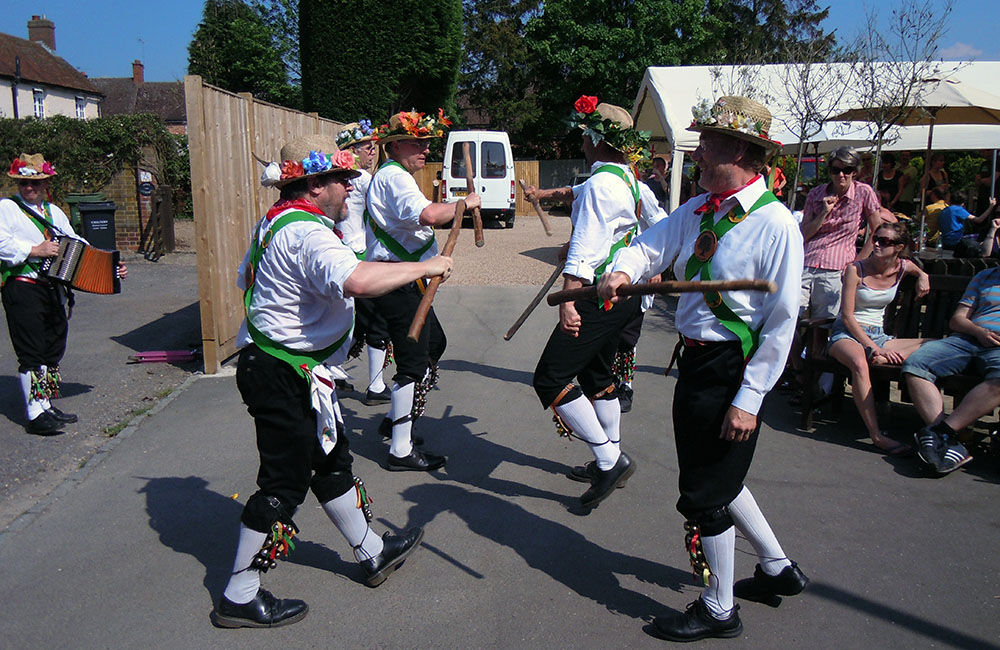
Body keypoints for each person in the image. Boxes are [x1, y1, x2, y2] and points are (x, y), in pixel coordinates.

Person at [214, 134, 454, 629]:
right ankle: (238, 594)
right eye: (342, 178)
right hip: (281, 371)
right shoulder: (308, 232)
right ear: (315, 185)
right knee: (282, 484)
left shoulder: (274, 222)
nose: (350, 187)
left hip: (293, 369)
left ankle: (371, 550)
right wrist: (428, 266)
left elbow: (246, 279)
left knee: (329, 459)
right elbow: (358, 281)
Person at [599, 95, 807, 641]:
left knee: (705, 490)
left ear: (738, 150)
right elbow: (650, 245)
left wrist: (749, 399)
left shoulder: (776, 224)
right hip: (694, 362)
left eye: (706, 143)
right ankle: (777, 568)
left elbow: (782, 322)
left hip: (733, 367)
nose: (696, 153)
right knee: (720, 475)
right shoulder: (698, 209)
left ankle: (719, 609)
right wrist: (621, 271)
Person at [532, 96, 653, 510]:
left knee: (550, 379)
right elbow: (653, 223)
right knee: (598, 376)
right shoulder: (627, 180)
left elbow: (585, 246)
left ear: (597, 139)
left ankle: (609, 461)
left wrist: (568, 299)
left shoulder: (602, 185)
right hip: (623, 296)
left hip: (596, 297)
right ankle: (610, 456)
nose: (581, 140)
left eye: (585, 134)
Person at [365, 109, 479, 471]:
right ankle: (400, 448)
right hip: (399, 282)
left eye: (427, 143)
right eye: (418, 143)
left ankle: (396, 420)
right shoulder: (394, 178)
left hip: (406, 280)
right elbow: (428, 216)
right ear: (396, 145)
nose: (426, 150)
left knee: (433, 345)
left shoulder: (394, 176)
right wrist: (464, 204)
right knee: (413, 362)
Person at [1, 153, 127, 435]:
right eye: (23, 183)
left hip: (53, 289)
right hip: (23, 286)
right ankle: (35, 413)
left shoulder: (54, 212)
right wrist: (35, 250)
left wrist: (111, 268)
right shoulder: (7, 209)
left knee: (53, 350)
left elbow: (78, 244)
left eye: (35, 183)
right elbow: (1, 243)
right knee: (32, 351)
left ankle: (45, 403)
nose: (29, 187)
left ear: (46, 184)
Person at [827, 222, 930, 455]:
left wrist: (923, 275)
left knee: (932, 344)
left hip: (879, 335)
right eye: (875, 239)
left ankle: (882, 358)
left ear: (898, 247)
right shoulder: (856, 269)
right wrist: (872, 347)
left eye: (884, 241)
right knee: (860, 364)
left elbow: (914, 267)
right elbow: (847, 316)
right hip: (849, 333)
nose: (876, 244)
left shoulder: (902, 267)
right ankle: (876, 435)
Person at [903, 266, 1000, 475]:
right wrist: (979, 331)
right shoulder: (985, 276)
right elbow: (958, 319)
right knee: (916, 363)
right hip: (966, 340)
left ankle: (941, 433)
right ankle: (948, 440)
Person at [337, 120, 393, 405]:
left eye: (373, 147)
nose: (373, 152)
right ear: (351, 150)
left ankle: (333, 373)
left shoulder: (338, 179)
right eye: (367, 147)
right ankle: (376, 386)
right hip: (359, 256)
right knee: (376, 321)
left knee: (348, 321)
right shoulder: (361, 178)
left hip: (342, 253)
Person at [799, 146, 882, 321]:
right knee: (791, 318)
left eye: (847, 170)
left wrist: (857, 264)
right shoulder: (816, 193)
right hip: (806, 263)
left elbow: (877, 230)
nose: (841, 175)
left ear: (854, 172)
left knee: (825, 323)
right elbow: (803, 234)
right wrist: (823, 213)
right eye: (836, 170)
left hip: (837, 268)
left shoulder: (863, 192)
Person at [893, 150, 919, 219]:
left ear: (910, 157)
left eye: (907, 155)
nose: (904, 157)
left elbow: (904, 181)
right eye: (903, 155)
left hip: (906, 201)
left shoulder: (912, 169)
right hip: (895, 201)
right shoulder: (895, 169)